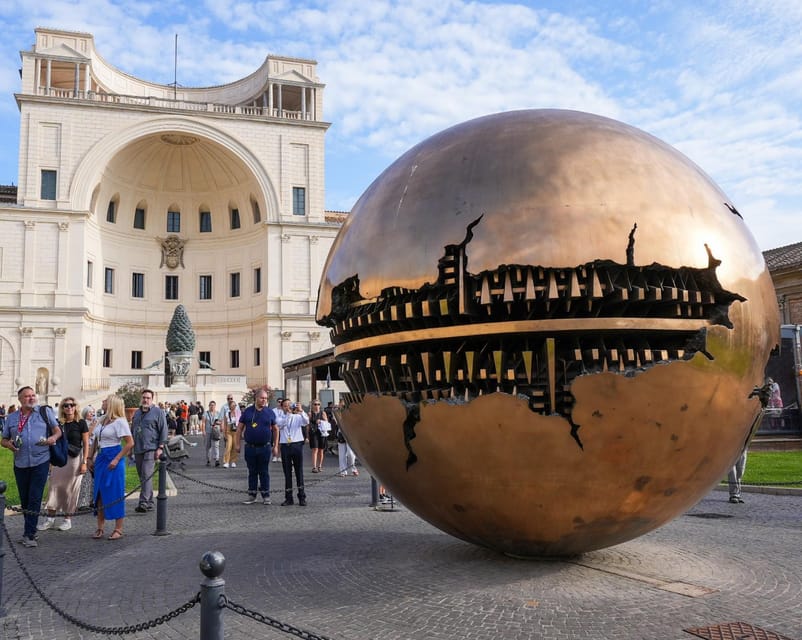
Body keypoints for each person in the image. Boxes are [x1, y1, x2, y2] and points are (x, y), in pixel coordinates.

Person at [1, 386, 63, 547]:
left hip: (41, 461)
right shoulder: (12, 417)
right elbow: (3, 439)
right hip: (20, 462)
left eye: (33, 395)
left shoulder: (44, 412)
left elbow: (58, 431)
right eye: (27, 396)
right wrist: (9, 445)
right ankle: (30, 530)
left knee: (35, 497)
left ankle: (29, 534)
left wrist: (52, 438)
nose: (31, 398)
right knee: (25, 499)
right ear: (20, 399)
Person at [38, 397, 90, 531]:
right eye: (66, 405)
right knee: (54, 487)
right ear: (62, 408)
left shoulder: (81, 423)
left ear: (76, 407)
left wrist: (84, 462)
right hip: (59, 458)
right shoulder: (58, 423)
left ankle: (67, 519)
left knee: (70, 489)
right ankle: (50, 519)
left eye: (72, 405)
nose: (69, 408)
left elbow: (86, 443)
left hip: (74, 459)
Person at [87, 395, 133, 540]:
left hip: (114, 456)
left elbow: (130, 443)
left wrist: (117, 459)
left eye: (105, 401)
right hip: (101, 457)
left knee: (115, 492)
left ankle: (118, 528)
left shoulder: (120, 422)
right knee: (99, 493)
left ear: (112, 404)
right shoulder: (102, 420)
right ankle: (100, 527)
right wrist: (89, 457)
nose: (103, 402)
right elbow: (95, 439)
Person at [236, 390, 277, 504]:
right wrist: (237, 444)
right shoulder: (248, 412)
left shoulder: (269, 412)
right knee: (252, 472)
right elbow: (239, 429)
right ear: (256, 398)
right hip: (250, 447)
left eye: (266, 398)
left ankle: (266, 495)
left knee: (264, 472)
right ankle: (252, 495)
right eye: (262, 398)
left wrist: (275, 445)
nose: (264, 400)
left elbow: (276, 429)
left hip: (265, 447)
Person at [131, 389, 168, 513]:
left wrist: (160, 447)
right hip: (138, 448)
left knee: (146, 474)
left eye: (148, 398)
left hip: (151, 448)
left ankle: (143, 502)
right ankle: (150, 501)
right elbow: (133, 429)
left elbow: (163, 430)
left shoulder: (158, 412)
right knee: (143, 476)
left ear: (152, 399)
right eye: (144, 397)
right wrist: (131, 447)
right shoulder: (137, 413)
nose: (145, 400)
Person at [276, 399, 309, 506]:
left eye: (289, 405)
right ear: (282, 407)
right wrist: (288, 414)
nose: (288, 407)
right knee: (287, 473)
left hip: (297, 444)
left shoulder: (298, 417)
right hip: (285, 445)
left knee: (299, 471)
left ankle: (302, 497)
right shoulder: (279, 417)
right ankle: (289, 498)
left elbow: (306, 422)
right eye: (285, 406)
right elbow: (281, 424)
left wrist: (301, 411)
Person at [308, 400, 326, 473]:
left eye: (318, 404)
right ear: (312, 405)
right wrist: (307, 436)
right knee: (315, 449)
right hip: (313, 433)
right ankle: (314, 467)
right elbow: (308, 424)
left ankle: (320, 466)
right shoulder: (310, 413)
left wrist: (321, 421)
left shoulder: (323, 413)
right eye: (315, 404)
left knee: (321, 450)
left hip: (322, 433)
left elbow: (327, 422)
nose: (317, 406)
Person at [222, 398, 240, 468]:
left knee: (235, 446)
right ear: (230, 406)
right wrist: (224, 433)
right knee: (228, 446)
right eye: (233, 405)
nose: (234, 406)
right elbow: (225, 424)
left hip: (236, 431)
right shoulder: (227, 413)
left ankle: (233, 461)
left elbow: (240, 423)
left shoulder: (238, 413)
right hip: (229, 430)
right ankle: (226, 461)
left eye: (235, 405)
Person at [202, 400, 221, 466]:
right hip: (208, 431)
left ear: (215, 406)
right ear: (209, 406)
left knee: (216, 445)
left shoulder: (218, 413)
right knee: (208, 446)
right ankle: (208, 460)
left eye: (213, 405)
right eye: (211, 405)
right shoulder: (205, 413)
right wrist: (203, 431)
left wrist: (217, 423)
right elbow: (203, 422)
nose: (212, 406)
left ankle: (217, 459)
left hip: (215, 431)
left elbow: (221, 422)